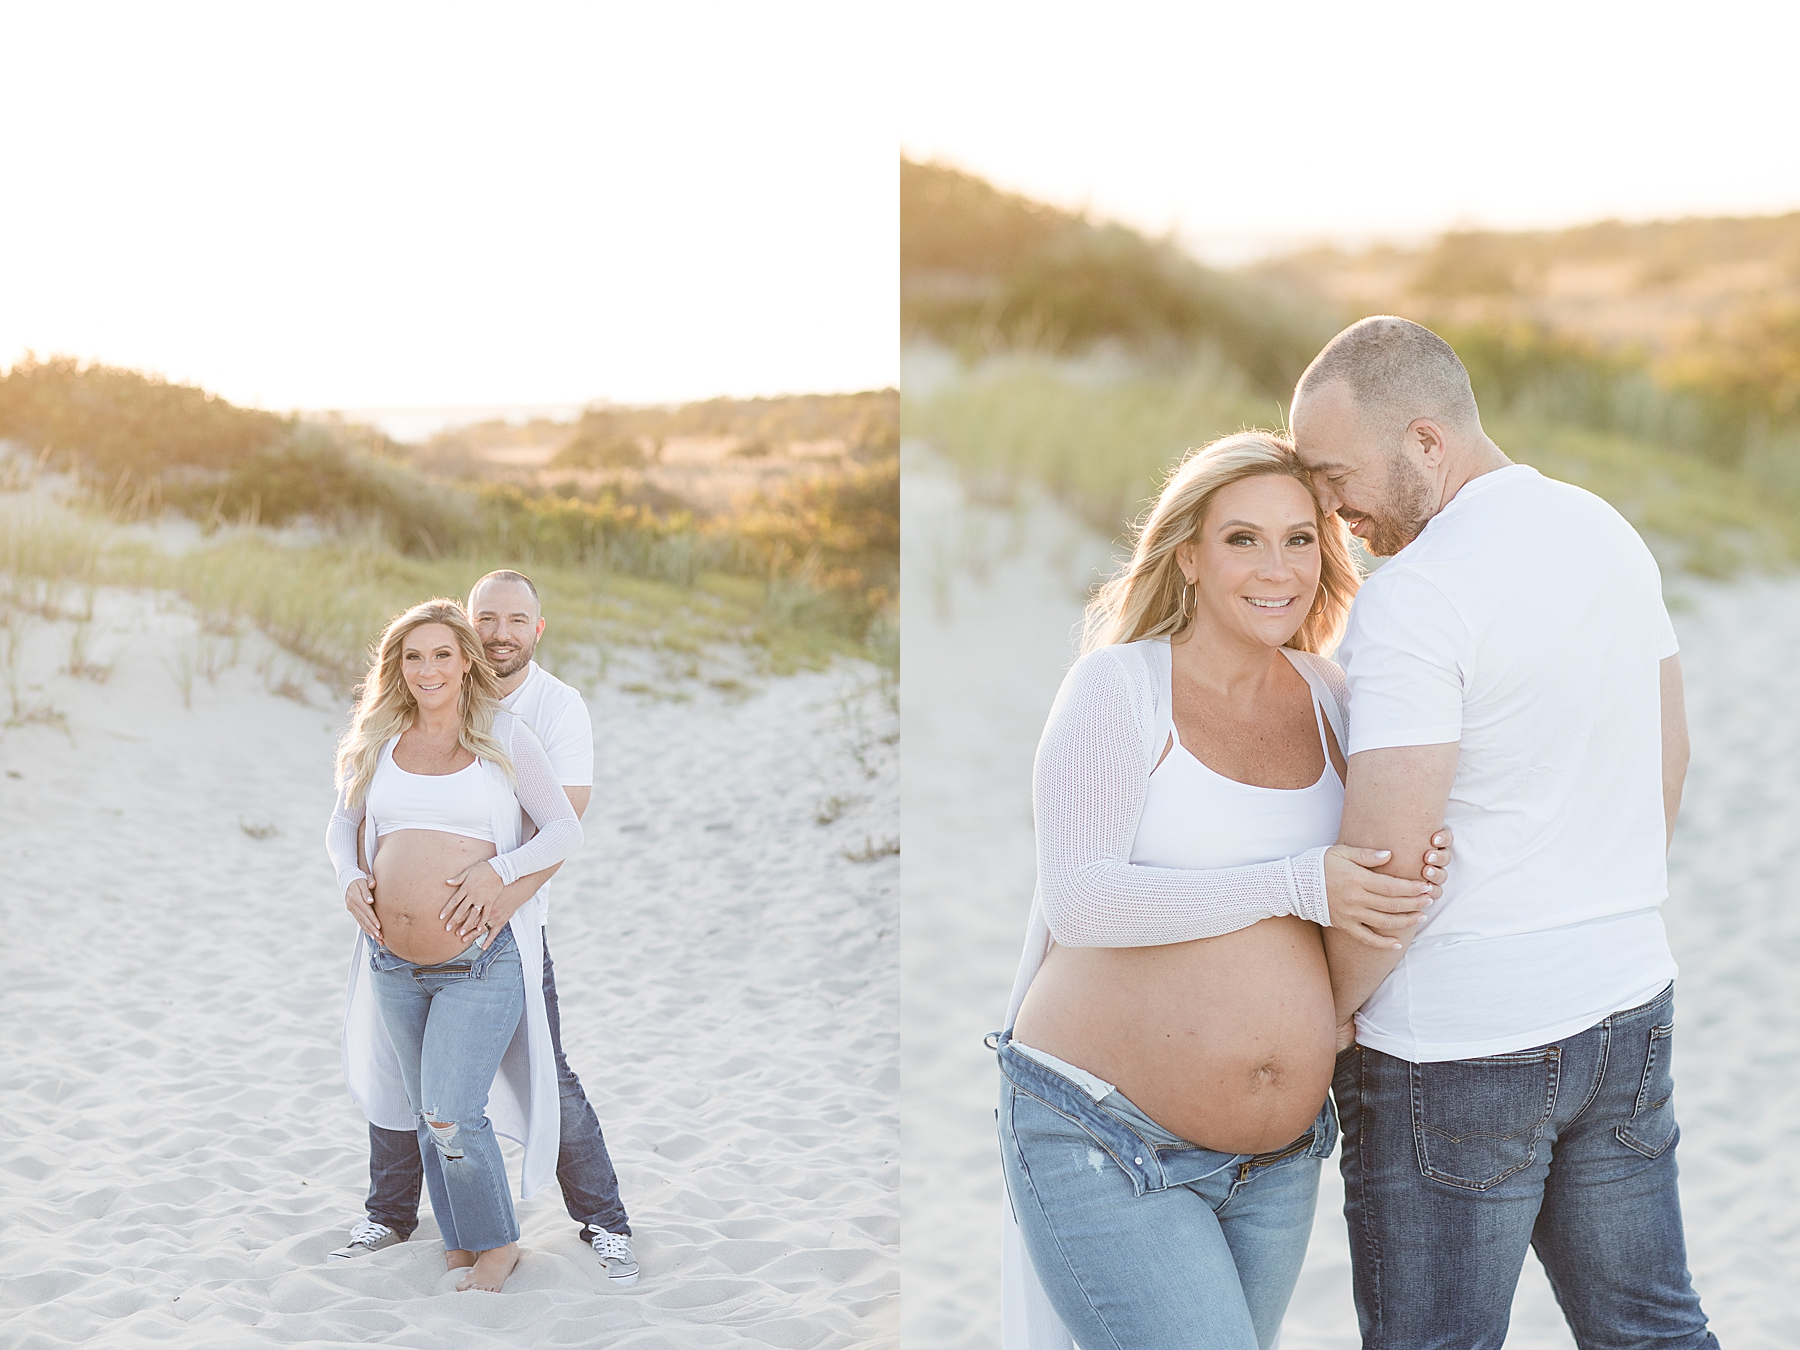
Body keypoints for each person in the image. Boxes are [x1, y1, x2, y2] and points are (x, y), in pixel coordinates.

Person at [1290, 316, 1716, 1349]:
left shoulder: (1417, 598)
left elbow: (1389, 858)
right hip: (1625, 1002)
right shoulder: (1605, 530)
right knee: (1653, 1331)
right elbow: (1675, 753)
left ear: (1427, 443)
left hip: (1458, 1044)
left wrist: (1329, 1015)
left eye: (1336, 476)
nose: (1330, 511)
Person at [997, 431, 1454, 1350]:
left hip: (1278, 1161)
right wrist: (1294, 884)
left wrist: (1406, 886)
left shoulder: (1332, 698)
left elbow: (1353, 895)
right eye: (1242, 539)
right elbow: (1083, 902)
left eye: (1299, 539)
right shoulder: (1118, 691)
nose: (1275, 568)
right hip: (1106, 1133)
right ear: (1190, 558)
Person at [330, 571, 638, 1286]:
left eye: (515, 620)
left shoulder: (543, 714)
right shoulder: (387, 725)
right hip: (393, 953)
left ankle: (602, 1222)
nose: (499, 632)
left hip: (503, 935)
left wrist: (501, 889)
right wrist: (350, 878)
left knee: (524, 1084)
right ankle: (399, 1216)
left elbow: (565, 822)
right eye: (486, 618)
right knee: (409, 1088)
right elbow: (346, 820)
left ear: (534, 629)